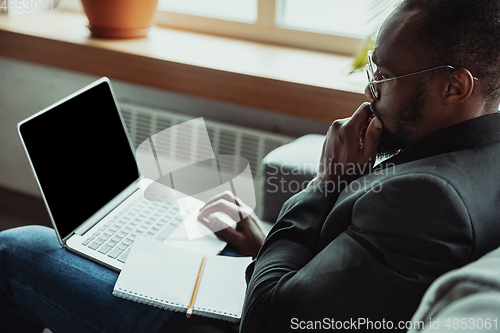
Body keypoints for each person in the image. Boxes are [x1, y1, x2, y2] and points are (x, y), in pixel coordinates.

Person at [2, 0, 500, 332]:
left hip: (237, 322)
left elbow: (268, 318)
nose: (369, 92)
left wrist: (328, 184)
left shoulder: (429, 200)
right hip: (287, 289)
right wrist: (265, 245)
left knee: (18, 247)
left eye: (385, 76)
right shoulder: (480, 157)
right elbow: (350, 288)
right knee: (178, 235)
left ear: (454, 87)